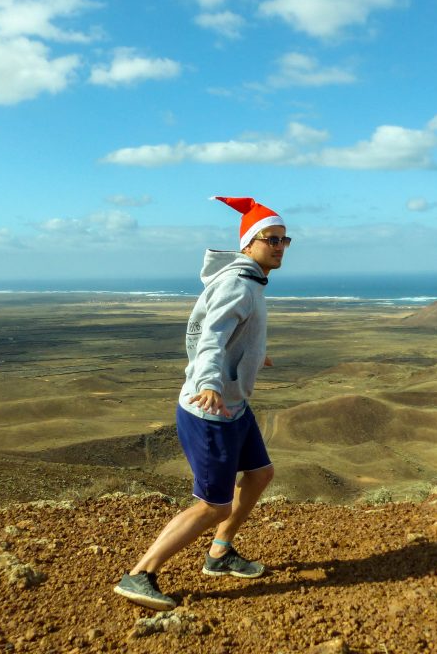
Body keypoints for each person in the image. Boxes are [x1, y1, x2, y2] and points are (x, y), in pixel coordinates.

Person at [114, 196, 291, 611]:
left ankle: (219, 554)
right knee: (214, 504)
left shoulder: (248, 280)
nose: (280, 246)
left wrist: (249, 356)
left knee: (261, 474)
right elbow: (210, 336)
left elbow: (226, 334)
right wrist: (211, 380)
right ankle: (140, 573)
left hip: (233, 407)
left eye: (285, 240)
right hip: (210, 410)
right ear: (249, 243)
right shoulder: (239, 284)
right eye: (272, 239)